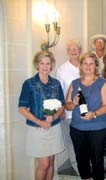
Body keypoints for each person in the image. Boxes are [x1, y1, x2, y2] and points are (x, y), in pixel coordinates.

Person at [18, 50, 65, 180]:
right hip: (37, 129)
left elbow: (62, 105)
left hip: (54, 128)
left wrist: (54, 116)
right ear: (37, 65)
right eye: (42, 63)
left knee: (50, 162)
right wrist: (40, 122)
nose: (45, 66)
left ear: (51, 65)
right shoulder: (29, 83)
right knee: (43, 164)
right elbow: (22, 108)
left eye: (48, 63)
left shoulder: (56, 83)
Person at [65, 52, 106, 180]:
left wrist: (95, 114)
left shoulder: (103, 83)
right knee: (81, 160)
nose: (88, 66)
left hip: (97, 128)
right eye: (85, 63)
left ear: (96, 66)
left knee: (97, 160)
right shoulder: (74, 83)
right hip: (77, 128)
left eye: (91, 63)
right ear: (81, 66)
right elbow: (67, 105)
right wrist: (73, 103)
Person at [55, 39, 82, 174]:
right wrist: (61, 109)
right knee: (71, 141)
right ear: (67, 52)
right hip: (69, 112)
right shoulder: (62, 69)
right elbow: (58, 90)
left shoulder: (85, 65)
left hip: (86, 112)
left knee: (85, 140)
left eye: (76, 48)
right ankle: (77, 167)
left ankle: (87, 164)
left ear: (80, 50)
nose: (73, 51)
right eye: (71, 49)